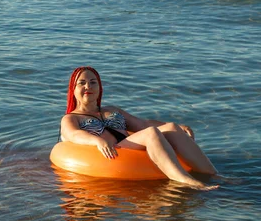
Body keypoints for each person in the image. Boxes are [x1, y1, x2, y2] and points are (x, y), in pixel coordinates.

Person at [59, 66, 219, 190]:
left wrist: (179, 126)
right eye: (82, 83)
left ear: (100, 88)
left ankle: (213, 174)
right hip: (114, 151)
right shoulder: (71, 118)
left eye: (93, 82)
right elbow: (73, 135)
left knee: (171, 127)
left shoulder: (113, 110)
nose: (88, 86)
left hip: (128, 144)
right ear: (73, 90)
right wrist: (97, 141)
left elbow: (142, 124)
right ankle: (183, 179)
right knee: (150, 134)